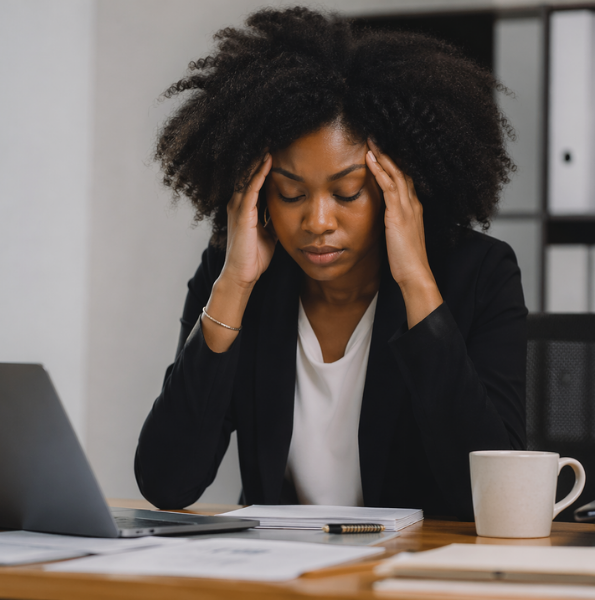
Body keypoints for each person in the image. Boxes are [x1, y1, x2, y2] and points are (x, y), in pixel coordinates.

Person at [135, 7, 527, 519]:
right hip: (282, 579)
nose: (318, 221)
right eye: (291, 194)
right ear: (256, 198)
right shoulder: (236, 278)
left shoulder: (478, 276)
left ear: (398, 189)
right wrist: (232, 286)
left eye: (347, 193)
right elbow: (168, 482)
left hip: (413, 583)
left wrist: (416, 284)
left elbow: (492, 498)